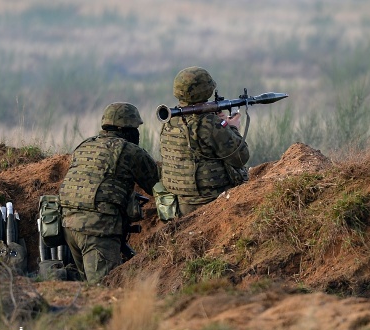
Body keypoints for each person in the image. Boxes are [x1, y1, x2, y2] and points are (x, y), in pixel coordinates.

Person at [59, 102, 159, 285]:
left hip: (68, 225)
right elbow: (158, 185)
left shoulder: (85, 146)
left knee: (86, 289)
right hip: (97, 230)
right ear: (127, 129)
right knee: (104, 289)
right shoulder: (129, 150)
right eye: (136, 128)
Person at [158, 66, 250, 217]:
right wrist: (231, 127)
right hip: (211, 204)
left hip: (177, 204)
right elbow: (241, 157)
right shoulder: (209, 123)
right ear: (206, 90)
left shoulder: (169, 121)